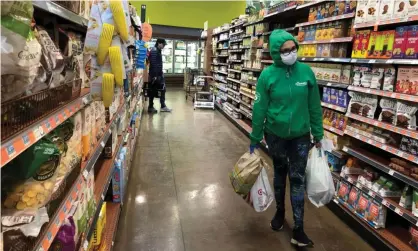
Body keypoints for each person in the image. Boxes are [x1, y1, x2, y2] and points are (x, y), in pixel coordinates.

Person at [249, 30, 323, 247]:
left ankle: (298, 228)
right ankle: (280, 213)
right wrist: (255, 135)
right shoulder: (267, 76)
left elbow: (314, 106)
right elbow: (260, 107)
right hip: (275, 135)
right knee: (280, 174)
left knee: (298, 179)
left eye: (293, 49)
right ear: (275, 53)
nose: (291, 53)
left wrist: (318, 133)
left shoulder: (306, 72)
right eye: (285, 50)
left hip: (300, 136)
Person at [148, 38, 172, 113]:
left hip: (158, 74)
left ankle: (161, 106)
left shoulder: (157, 50)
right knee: (154, 90)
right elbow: (154, 64)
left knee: (160, 89)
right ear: (159, 43)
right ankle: (153, 106)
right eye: (163, 44)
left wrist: (161, 73)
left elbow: (157, 64)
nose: (164, 46)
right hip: (155, 75)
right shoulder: (154, 51)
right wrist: (155, 76)